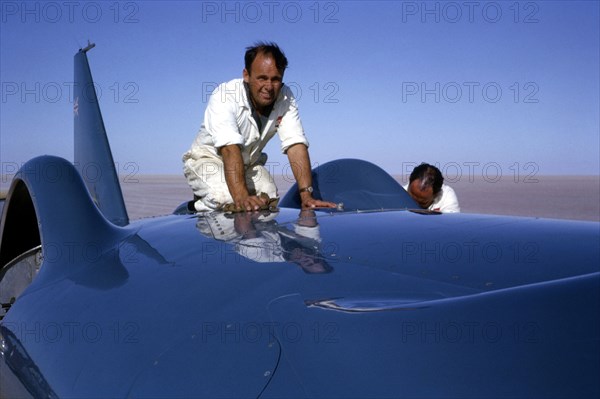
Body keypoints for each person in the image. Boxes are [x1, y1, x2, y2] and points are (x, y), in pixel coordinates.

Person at [183, 41, 336, 212]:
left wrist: (306, 195)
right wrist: (241, 197)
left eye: (276, 79)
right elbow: (229, 148)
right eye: (262, 78)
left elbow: (295, 144)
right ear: (246, 75)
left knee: (268, 197)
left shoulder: (286, 97)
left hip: (248, 165)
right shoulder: (224, 95)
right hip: (209, 160)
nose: (269, 87)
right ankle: (196, 207)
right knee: (226, 198)